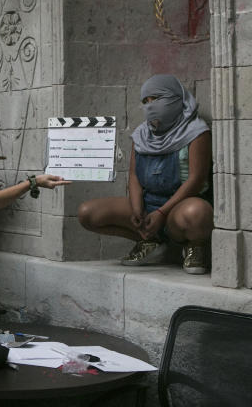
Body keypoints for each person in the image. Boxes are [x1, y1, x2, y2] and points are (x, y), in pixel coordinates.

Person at [77, 74, 213, 274]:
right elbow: (134, 176)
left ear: (176, 99)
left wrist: (162, 213)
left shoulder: (197, 132)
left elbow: (196, 180)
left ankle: (195, 246)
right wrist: (137, 209)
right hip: (150, 204)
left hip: (178, 207)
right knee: (87, 213)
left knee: (198, 213)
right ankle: (150, 241)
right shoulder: (142, 133)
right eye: (145, 101)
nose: (150, 106)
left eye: (156, 99)